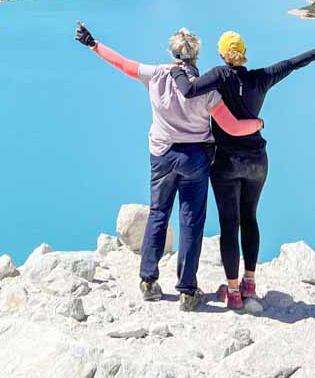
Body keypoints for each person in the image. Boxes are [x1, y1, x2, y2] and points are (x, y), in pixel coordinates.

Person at [74, 21, 262, 311]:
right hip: (195, 160)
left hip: (161, 156)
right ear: (196, 56)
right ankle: (187, 290)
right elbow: (233, 127)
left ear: (172, 53)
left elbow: (122, 64)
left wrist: (93, 44)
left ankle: (148, 281)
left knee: (159, 213)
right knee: (191, 221)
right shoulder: (207, 90)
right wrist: (257, 124)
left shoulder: (155, 75)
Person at [170, 31, 315, 309]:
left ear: (223, 54)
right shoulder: (263, 77)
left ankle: (233, 292)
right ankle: (250, 282)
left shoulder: (219, 75)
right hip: (257, 161)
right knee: (250, 218)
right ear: (244, 53)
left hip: (225, 162)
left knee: (229, 225)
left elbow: (188, 90)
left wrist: (176, 69)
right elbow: (296, 62)